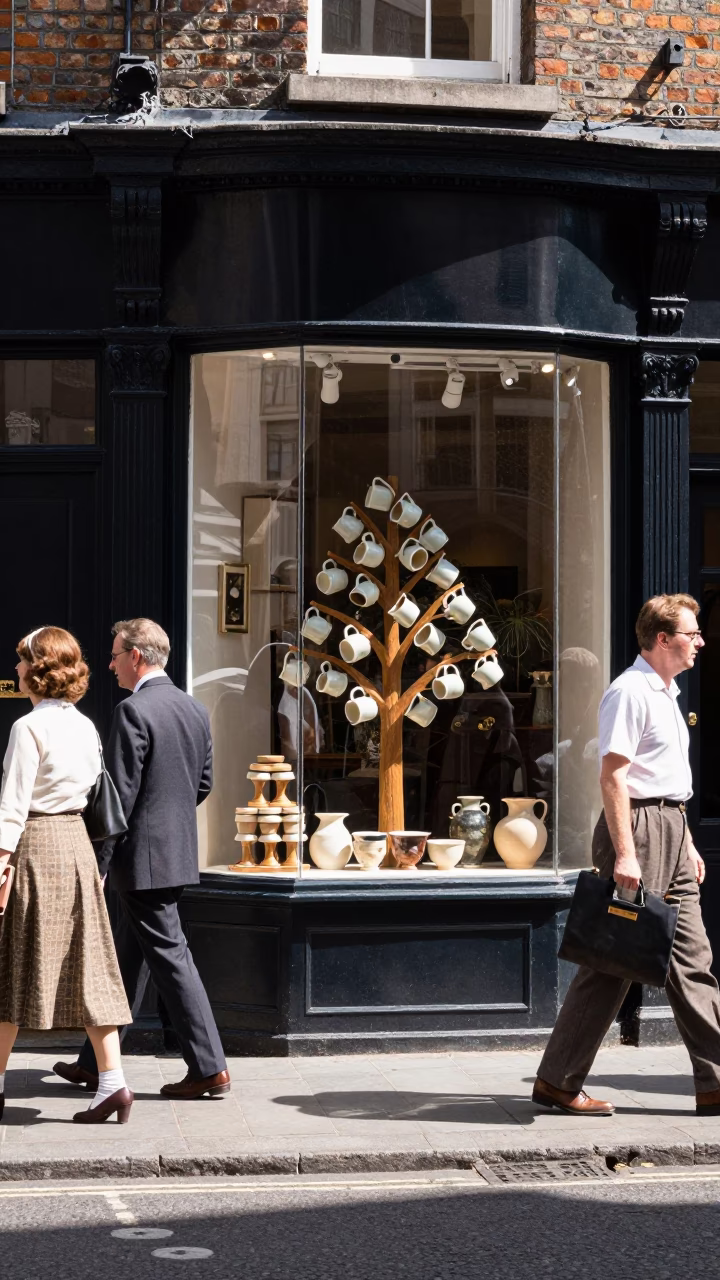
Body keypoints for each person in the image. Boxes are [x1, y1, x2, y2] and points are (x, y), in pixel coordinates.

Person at [533, 593, 720, 1116]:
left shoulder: (665, 692)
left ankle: (716, 1081)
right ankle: (557, 1080)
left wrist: (686, 842)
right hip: (635, 830)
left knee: (692, 960)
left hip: (670, 829)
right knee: (613, 961)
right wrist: (625, 854)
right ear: (663, 639)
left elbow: (665, 781)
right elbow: (614, 777)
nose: (700, 641)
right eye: (692, 633)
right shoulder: (630, 692)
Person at [54, 618, 230, 1101]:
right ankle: (95, 1064)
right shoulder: (194, 708)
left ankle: (210, 1067)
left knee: (172, 960)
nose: (108, 664)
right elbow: (203, 783)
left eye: (113, 655)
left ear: (136, 656)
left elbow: (119, 798)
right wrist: (165, 825)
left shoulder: (133, 711)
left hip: (141, 862)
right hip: (173, 855)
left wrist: (101, 860)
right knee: (127, 960)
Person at [0, 627, 133, 1124]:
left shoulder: (27, 727)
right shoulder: (86, 725)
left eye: (20, 662)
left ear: (38, 669)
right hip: (77, 845)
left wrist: (0, 862)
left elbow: (13, 804)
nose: (15, 670)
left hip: (34, 845)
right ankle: (114, 1085)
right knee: (90, 966)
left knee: (11, 965)